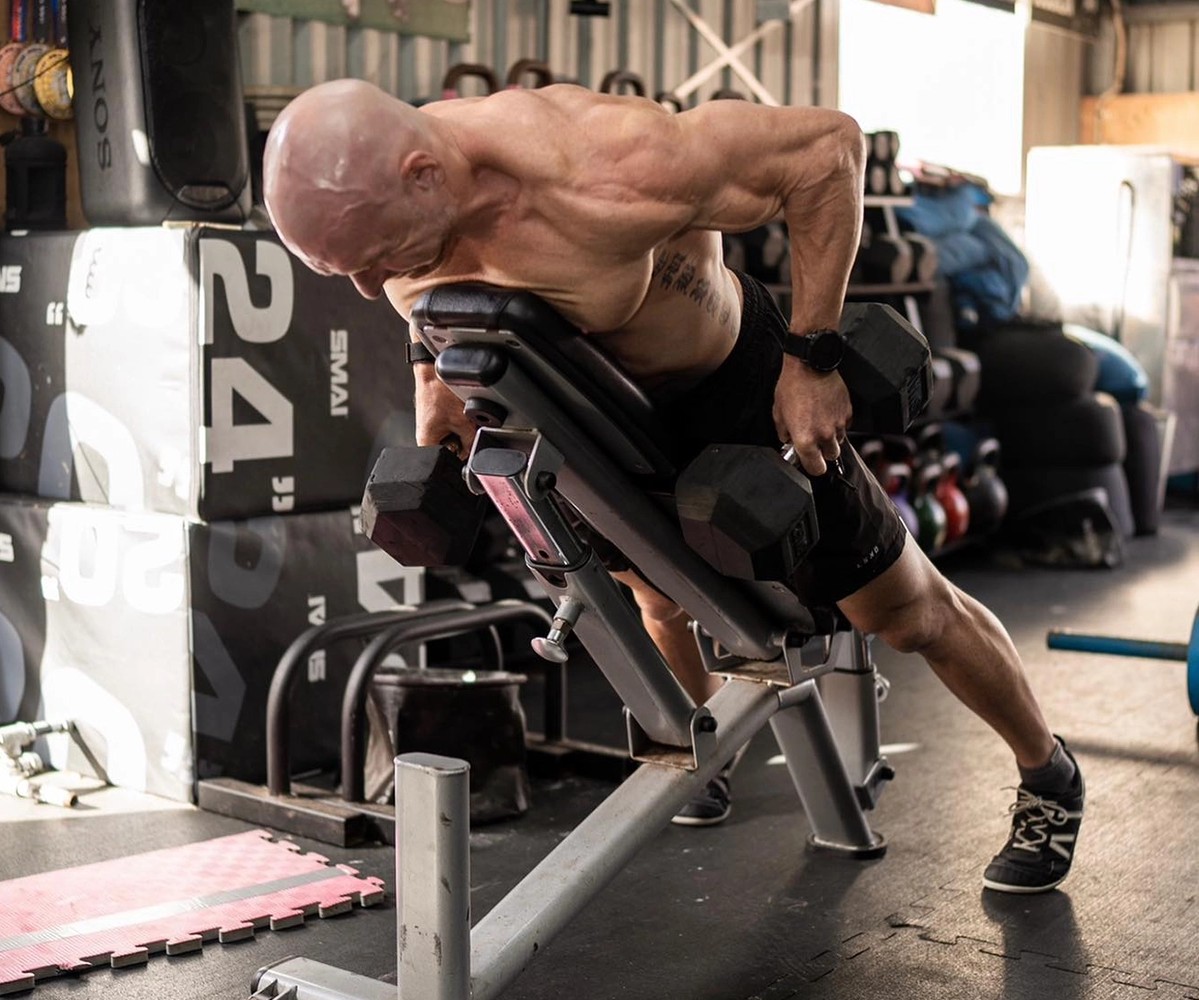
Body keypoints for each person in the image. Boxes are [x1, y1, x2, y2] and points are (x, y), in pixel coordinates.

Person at [262, 78, 1085, 893]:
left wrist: (813, 358)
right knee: (658, 598)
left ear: (422, 174)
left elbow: (828, 149)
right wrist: (430, 377)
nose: (371, 288)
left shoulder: (608, 162)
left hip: (733, 389)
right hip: (589, 417)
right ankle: (707, 760)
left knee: (906, 614)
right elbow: (412, 293)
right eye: (351, 273)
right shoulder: (394, 199)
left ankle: (1047, 774)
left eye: (377, 262)